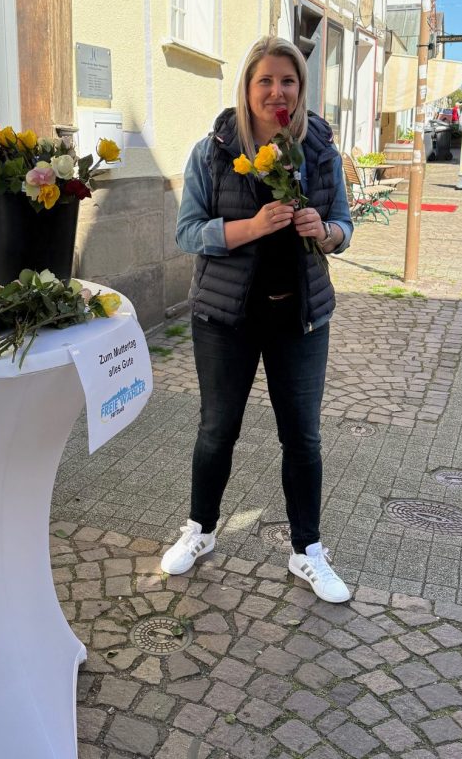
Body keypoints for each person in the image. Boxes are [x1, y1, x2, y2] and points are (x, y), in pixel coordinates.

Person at [163, 36, 354, 603]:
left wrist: (326, 231)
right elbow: (186, 232)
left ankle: (307, 551)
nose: (277, 92)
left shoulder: (320, 150)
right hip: (226, 318)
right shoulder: (213, 151)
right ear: (247, 89)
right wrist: (250, 227)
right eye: (265, 81)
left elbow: (344, 224)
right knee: (217, 429)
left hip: (300, 317)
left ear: (300, 89)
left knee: (303, 436)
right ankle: (200, 530)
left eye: (288, 81)